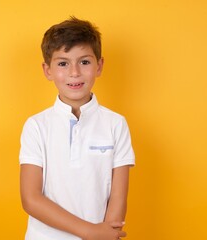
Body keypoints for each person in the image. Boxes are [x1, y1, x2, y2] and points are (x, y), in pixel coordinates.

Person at [19, 16, 135, 240]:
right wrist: (89, 232)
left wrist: (103, 234)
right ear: (48, 70)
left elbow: (118, 198)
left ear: (99, 66)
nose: (74, 72)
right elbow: (31, 199)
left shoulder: (116, 124)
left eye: (84, 62)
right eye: (63, 63)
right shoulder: (36, 126)